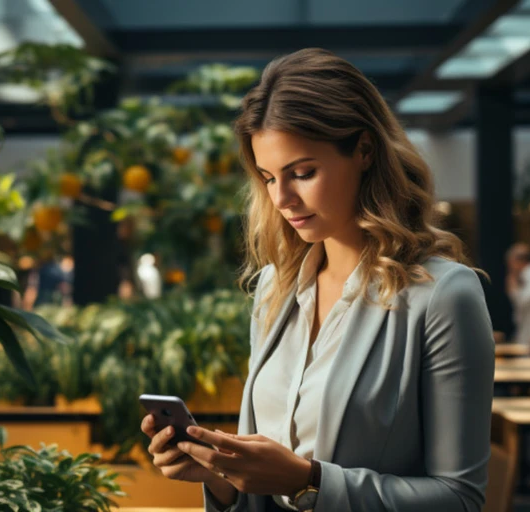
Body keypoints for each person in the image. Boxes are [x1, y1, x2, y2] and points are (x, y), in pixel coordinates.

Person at [140, 48, 495, 512]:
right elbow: (265, 486)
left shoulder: (443, 295)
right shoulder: (275, 287)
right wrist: (222, 476)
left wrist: (310, 482)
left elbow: (461, 498)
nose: (283, 198)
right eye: (268, 177)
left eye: (302, 173)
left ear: (365, 151)